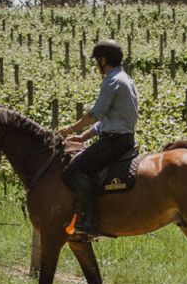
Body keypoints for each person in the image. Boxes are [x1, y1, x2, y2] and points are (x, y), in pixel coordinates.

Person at [58, 39, 139, 239]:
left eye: (97, 61)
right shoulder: (126, 79)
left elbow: (96, 114)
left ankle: (89, 220)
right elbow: (110, 119)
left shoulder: (111, 81)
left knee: (75, 169)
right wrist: (83, 136)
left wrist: (71, 128)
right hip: (123, 138)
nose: (96, 65)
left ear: (103, 60)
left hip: (114, 141)